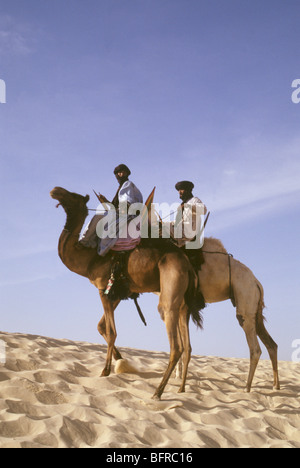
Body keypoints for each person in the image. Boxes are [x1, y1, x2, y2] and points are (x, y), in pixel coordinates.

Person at [79, 164, 143, 256]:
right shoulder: (121, 188)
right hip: (121, 213)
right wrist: (105, 201)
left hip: (128, 214)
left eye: (121, 172)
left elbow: (127, 203)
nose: (119, 174)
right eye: (118, 173)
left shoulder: (127, 184)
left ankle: (85, 241)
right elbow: (116, 206)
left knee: (99, 216)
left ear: (126, 173)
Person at [170, 180, 207, 270]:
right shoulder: (181, 206)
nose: (179, 192)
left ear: (188, 190)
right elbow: (177, 222)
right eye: (178, 191)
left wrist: (188, 206)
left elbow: (203, 210)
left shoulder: (195, 200)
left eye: (181, 190)